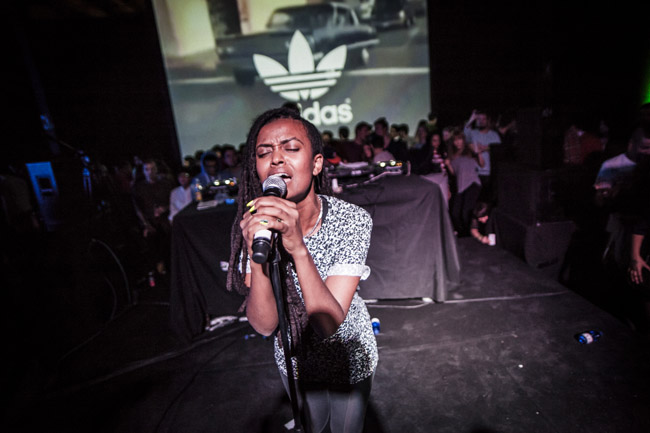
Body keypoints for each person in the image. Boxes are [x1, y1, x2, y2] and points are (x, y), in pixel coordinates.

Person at [226, 106, 377, 433]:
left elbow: (327, 324)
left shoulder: (351, 220)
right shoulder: (255, 223)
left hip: (347, 357)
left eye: (291, 148)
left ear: (316, 163)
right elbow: (265, 325)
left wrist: (297, 247)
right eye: (264, 153)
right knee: (313, 427)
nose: (276, 159)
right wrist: (255, 253)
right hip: (295, 363)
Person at [447, 129, 485, 236]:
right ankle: (464, 234)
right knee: (454, 213)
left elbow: (482, 164)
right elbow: (454, 173)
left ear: (463, 139)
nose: (458, 142)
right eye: (455, 140)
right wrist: (448, 164)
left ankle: (470, 235)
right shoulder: (452, 155)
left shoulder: (469, 150)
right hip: (461, 185)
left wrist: (479, 153)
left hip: (473, 183)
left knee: (466, 212)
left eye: (459, 139)